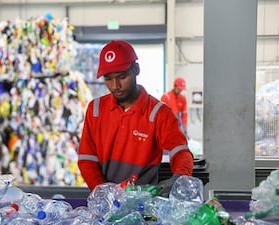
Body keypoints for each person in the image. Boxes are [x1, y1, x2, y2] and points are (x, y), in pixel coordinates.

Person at [77, 40, 194, 196]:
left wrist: (179, 179)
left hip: (142, 206)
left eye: (122, 76)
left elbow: (181, 153)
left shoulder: (158, 113)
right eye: (108, 78)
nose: (115, 85)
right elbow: (86, 160)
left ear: (136, 69)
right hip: (105, 203)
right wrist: (106, 195)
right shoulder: (96, 110)